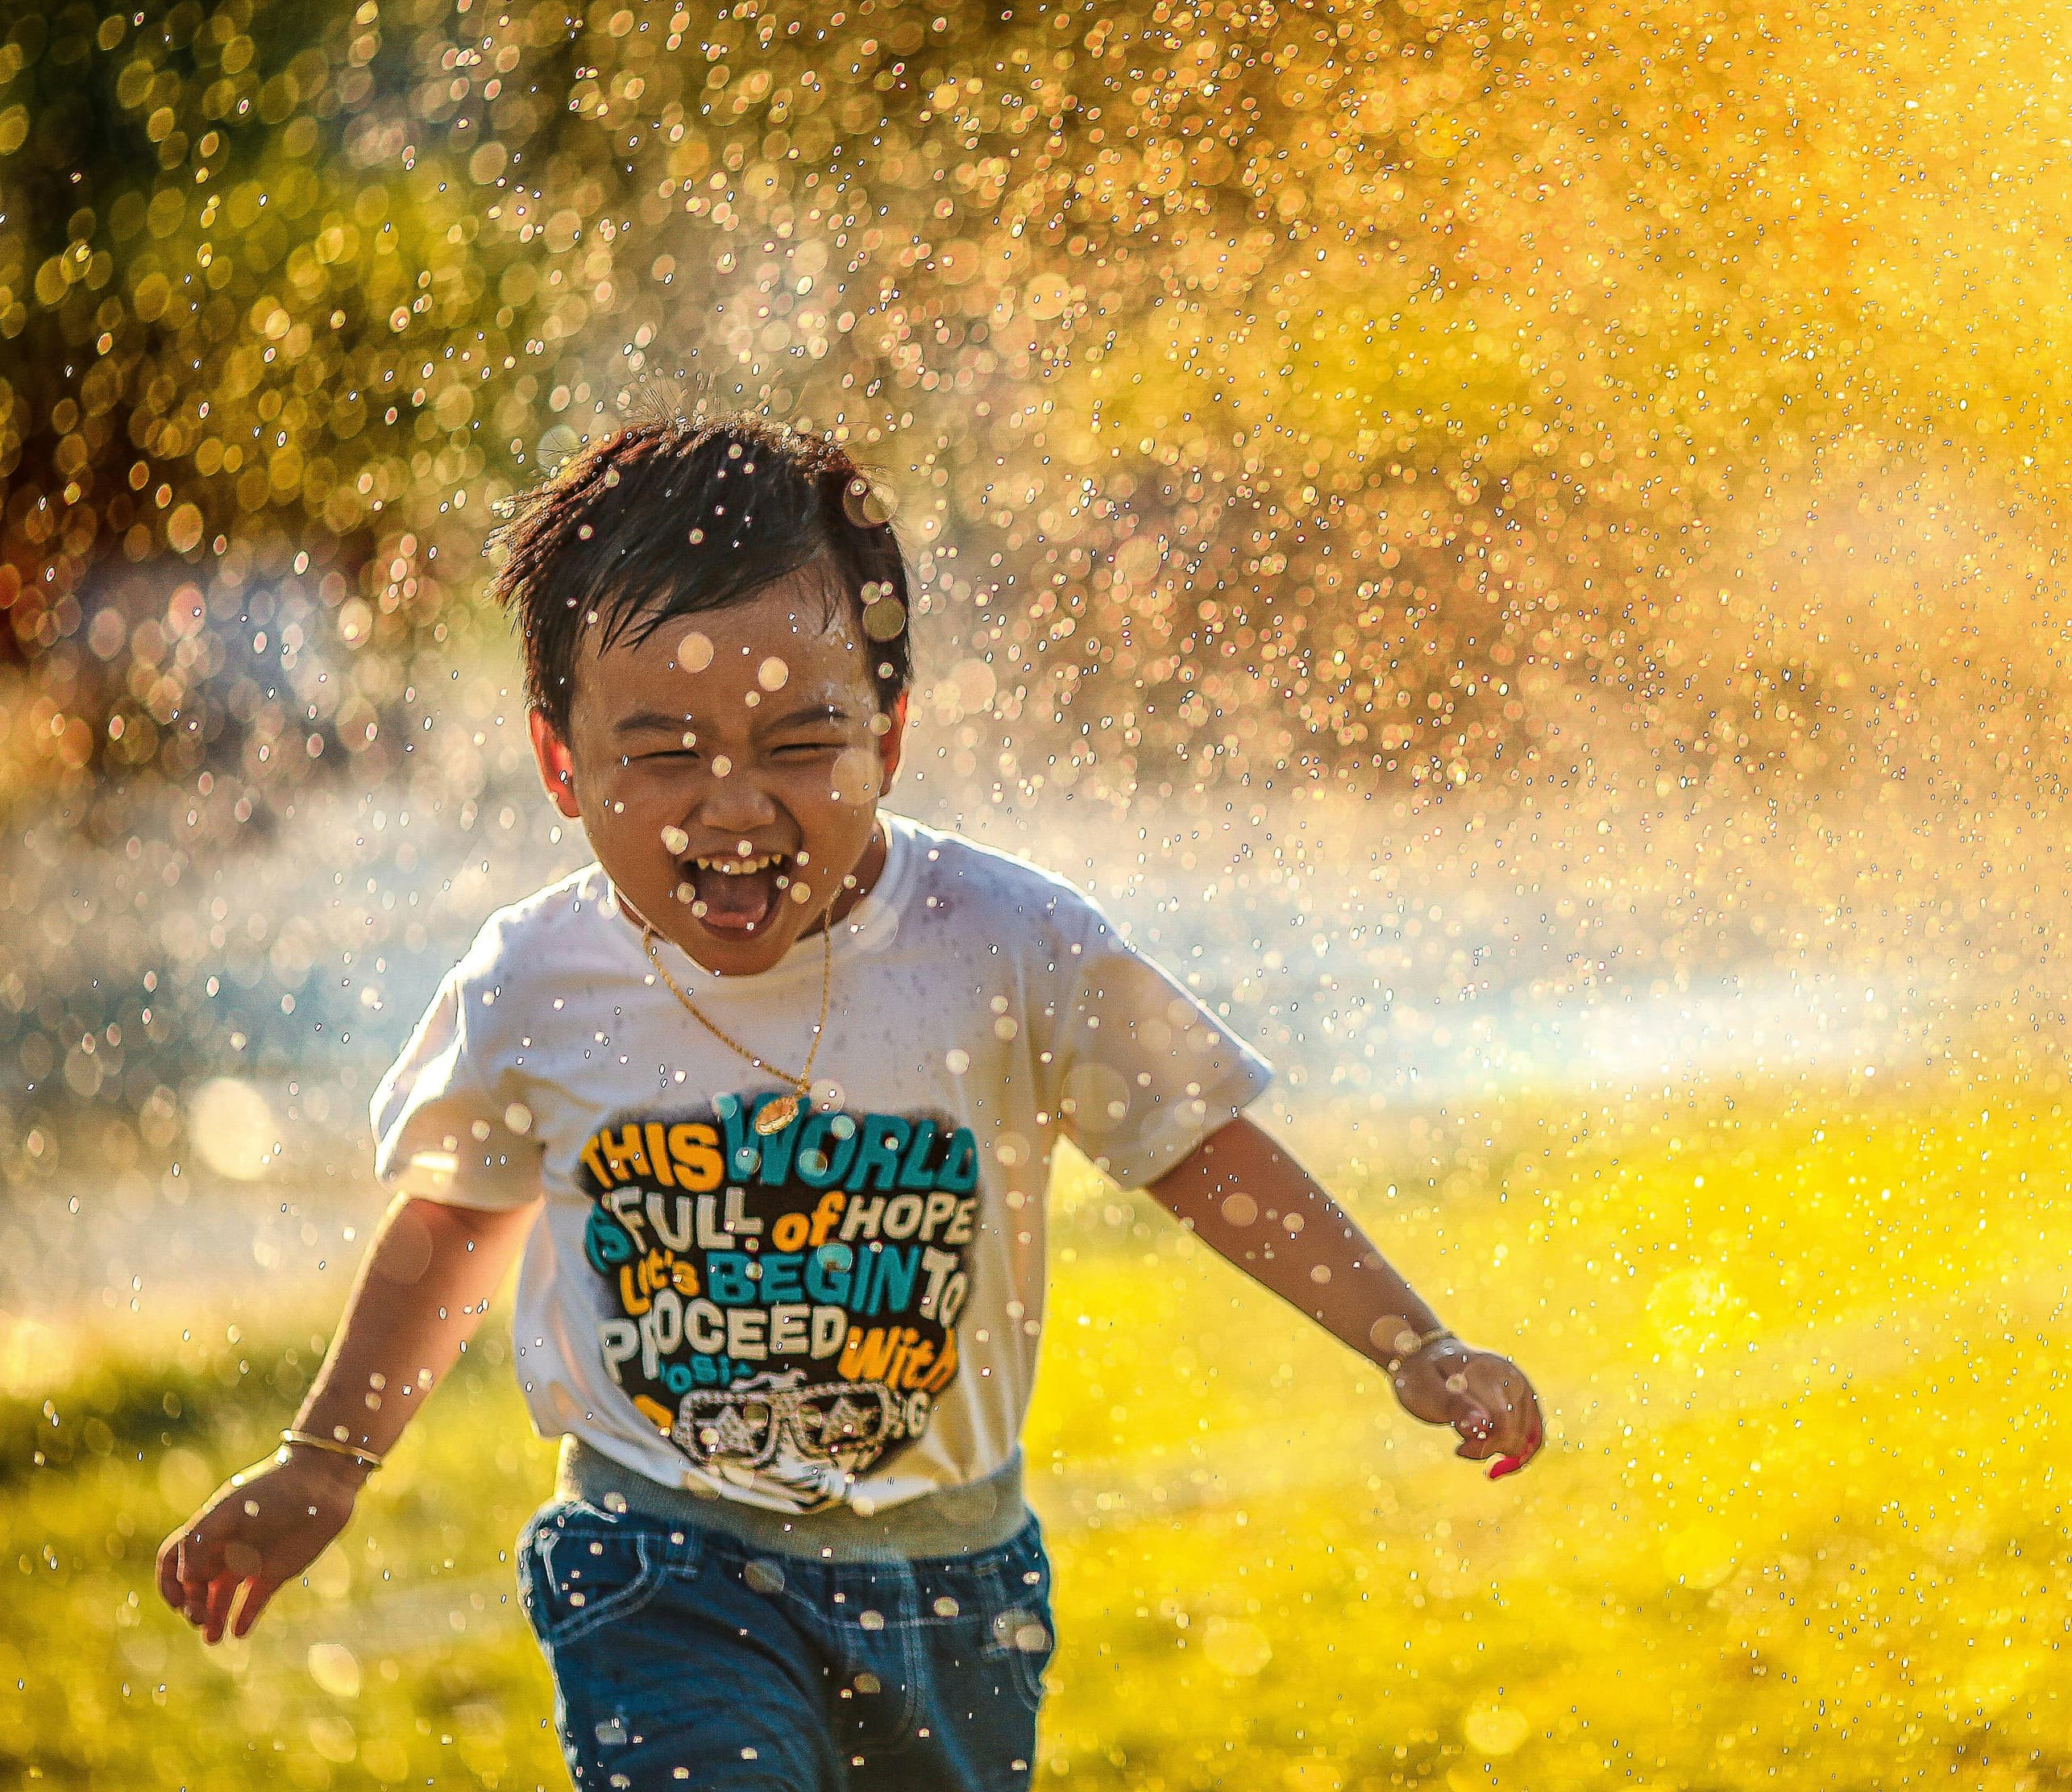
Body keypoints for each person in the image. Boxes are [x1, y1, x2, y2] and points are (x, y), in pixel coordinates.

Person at [155, 410, 1544, 1790]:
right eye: (664, 753)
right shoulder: (538, 981)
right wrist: (327, 1459)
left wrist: (1409, 1343)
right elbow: (455, 1223)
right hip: (660, 1558)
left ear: (889, 734)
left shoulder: (1006, 944)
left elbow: (1200, 1151)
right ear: (561, 764)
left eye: (799, 742)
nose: (735, 805)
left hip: (951, 1584)